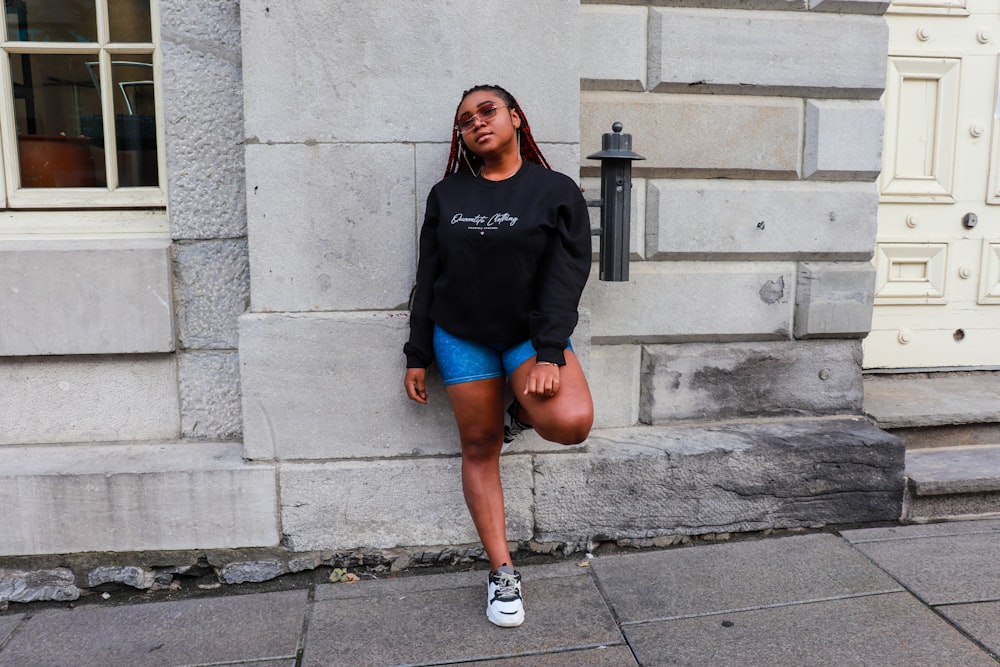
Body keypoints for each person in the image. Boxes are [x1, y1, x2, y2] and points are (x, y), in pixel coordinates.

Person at [403, 84, 594, 628]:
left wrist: (550, 353)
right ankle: (502, 572)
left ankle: (517, 415)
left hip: (527, 336)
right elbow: (427, 275)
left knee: (571, 421)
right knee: (479, 445)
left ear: (515, 116)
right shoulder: (448, 195)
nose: (477, 124)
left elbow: (566, 279)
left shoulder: (555, 191)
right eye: (466, 120)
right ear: (461, 136)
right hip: (460, 334)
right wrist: (418, 351)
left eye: (487, 111)